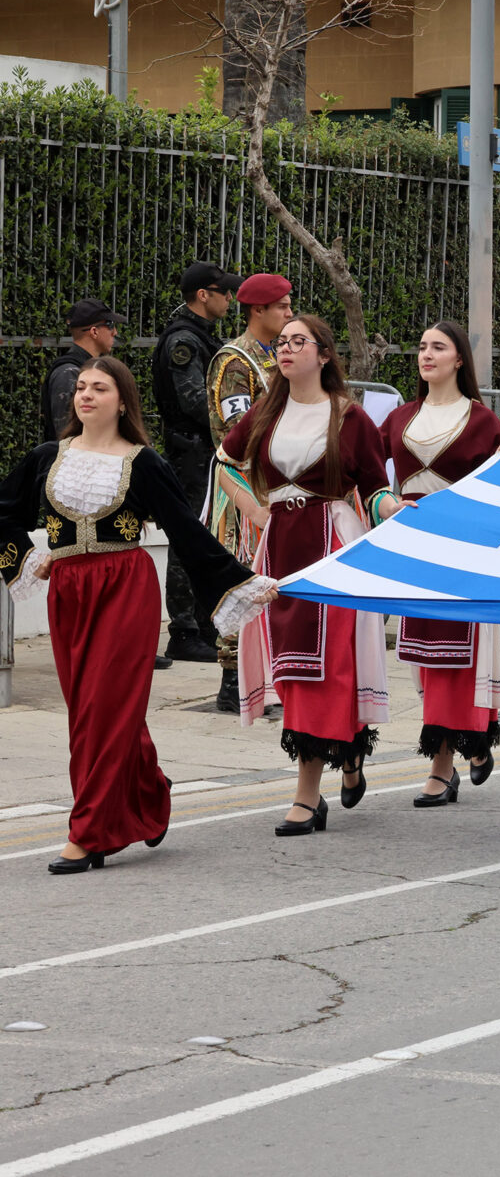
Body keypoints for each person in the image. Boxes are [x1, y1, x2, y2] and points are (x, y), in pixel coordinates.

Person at [2, 357, 274, 873]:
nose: (84, 395)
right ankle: (148, 788)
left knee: (106, 706)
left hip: (125, 588)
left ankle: (88, 832)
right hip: (68, 592)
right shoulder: (46, 457)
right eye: (80, 387)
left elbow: (187, 532)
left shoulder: (145, 463)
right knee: (90, 709)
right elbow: (4, 514)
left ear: (121, 400)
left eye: (98, 388)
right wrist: (25, 557)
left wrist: (241, 581)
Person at [221, 316, 397, 837]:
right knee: (293, 664)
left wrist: (392, 507)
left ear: (324, 355)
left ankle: (306, 794)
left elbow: (372, 485)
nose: (287, 348)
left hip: (332, 545)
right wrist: (256, 512)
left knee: (328, 664)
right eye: (282, 342)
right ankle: (346, 749)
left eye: (300, 341)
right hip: (279, 546)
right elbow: (224, 461)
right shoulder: (266, 413)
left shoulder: (349, 415)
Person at [380, 322, 500, 806]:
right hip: (414, 546)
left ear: (460, 360)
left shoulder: (482, 422)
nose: (426, 354)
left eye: (438, 347)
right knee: (421, 658)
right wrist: (383, 504)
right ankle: (477, 736)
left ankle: (441, 765)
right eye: (421, 347)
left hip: (463, 549)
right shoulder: (398, 418)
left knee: (457, 658)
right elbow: (369, 474)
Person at [206, 271, 293, 713]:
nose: (289, 313)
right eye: (281, 306)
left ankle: (264, 675)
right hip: (242, 488)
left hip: (275, 488)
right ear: (257, 310)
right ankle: (231, 676)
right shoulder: (234, 362)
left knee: (268, 579)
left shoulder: (278, 356)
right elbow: (234, 434)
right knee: (241, 574)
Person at [152, 263, 242, 666]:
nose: (230, 298)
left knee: (208, 532)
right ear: (202, 295)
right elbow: (194, 402)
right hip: (192, 451)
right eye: (223, 292)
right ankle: (184, 630)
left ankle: (204, 623)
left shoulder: (201, 336)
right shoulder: (183, 341)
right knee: (189, 531)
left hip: (205, 451)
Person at [44, 298, 123, 442]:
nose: (115, 332)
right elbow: (66, 435)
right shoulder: (69, 372)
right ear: (94, 332)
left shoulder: (85, 368)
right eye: (110, 325)